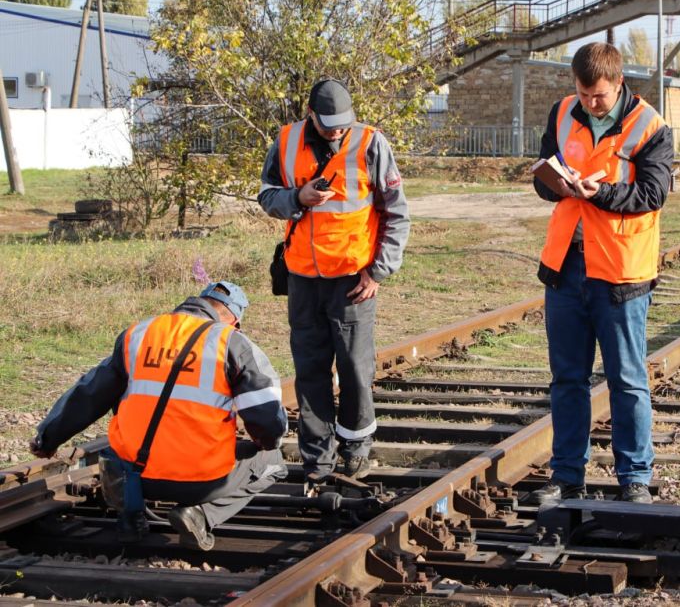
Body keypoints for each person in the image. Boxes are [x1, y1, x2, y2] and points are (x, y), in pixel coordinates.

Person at [29, 281, 288, 551]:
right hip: (201, 482)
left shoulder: (138, 335)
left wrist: (48, 439)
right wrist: (265, 443)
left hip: (136, 478)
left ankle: (130, 518)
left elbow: (90, 394)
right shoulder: (232, 342)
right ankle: (202, 514)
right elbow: (266, 417)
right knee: (273, 461)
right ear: (233, 318)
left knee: (114, 448)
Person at [530, 42, 672, 505]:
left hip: (621, 273)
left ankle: (634, 477)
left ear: (619, 83)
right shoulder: (562, 112)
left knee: (626, 379)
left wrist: (601, 192)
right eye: (584, 94)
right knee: (567, 378)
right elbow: (542, 174)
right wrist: (556, 184)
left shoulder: (650, 126)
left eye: (600, 97)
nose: (590, 104)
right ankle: (567, 474)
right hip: (566, 268)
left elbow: (653, 193)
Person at [258, 79, 410, 491]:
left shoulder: (370, 143)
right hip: (303, 278)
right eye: (329, 127)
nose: (337, 133)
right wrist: (297, 198)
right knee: (309, 372)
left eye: (343, 125)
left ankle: (356, 446)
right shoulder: (286, 141)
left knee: (355, 369)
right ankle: (317, 458)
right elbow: (266, 195)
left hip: (353, 280)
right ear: (311, 114)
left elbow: (396, 214)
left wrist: (378, 271)